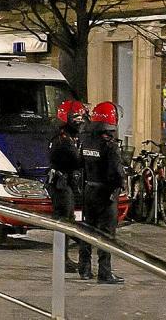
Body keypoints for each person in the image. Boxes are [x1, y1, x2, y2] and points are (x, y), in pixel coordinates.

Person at [78, 101, 126, 284]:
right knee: (106, 235)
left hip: (89, 190)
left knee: (87, 230)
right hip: (106, 194)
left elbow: (80, 163)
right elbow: (116, 171)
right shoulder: (110, 145)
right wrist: (121, 183)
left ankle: (84, 268)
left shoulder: (87, 139)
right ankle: (104, 273)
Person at [47, 100, 88, 273]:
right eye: (76, 117)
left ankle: (63, 258)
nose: (80, 121)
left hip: (65, 183)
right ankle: (62, 260)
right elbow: (76, 160)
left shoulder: (68, 136)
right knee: (64, 222)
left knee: (66, 220)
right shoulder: (62, 139)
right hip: (61, 184)